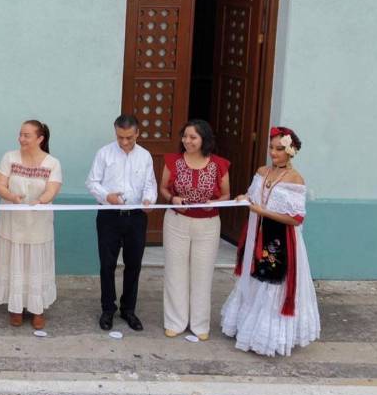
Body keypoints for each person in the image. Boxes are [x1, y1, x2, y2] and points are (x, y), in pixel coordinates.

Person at [221, 126, 320, 356]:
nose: (273, 153)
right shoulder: (262, 171)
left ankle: (269, 336)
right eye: (271, 148)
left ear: (290, 151)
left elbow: (295, 219)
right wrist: (244, 198)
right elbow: (253, 196)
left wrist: (262, 211)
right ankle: (247, 326)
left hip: (281, 237)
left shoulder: (295, 179)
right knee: (254, 277)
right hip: (258, 231)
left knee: (272, 281)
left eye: (278, 149)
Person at [159, 119, 230, 341]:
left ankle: (200, 325)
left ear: (204, 140)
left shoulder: (219, 164)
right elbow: (163, 188)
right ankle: (175, 322)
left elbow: (226, 194)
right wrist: (173, 198)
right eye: (185, 136)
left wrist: (216, 203)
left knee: (203, 272)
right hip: (177, 221)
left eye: (193, 137)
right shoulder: (173, 161)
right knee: (175, 270)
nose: (187, 141)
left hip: (208, 225)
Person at [85, 114, 157, 332]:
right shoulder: (104, 153)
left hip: (135, 216)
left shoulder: (145, 156)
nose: (124, 142)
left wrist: (149, 200)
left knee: (133, 264)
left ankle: (129, 309)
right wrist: (108, 196)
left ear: (137, 133)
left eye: (128, 137)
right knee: (107, 264)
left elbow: (150, 184)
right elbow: (92, 182)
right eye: (120, 137)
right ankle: (108, 308)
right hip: (109, 216)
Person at [0, 120, 62, 330]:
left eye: (27, 135)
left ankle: (37, 309)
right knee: (15, 262)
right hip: (12, 224)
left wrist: (41, 200)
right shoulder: (9, 158)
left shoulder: (52, 163)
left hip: (39, 225)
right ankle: (16, 307)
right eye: (20, 134)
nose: (21, 139)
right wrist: (12, 196)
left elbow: (52, 190)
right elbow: (0, 186)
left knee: (35, 264)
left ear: (40, 139)